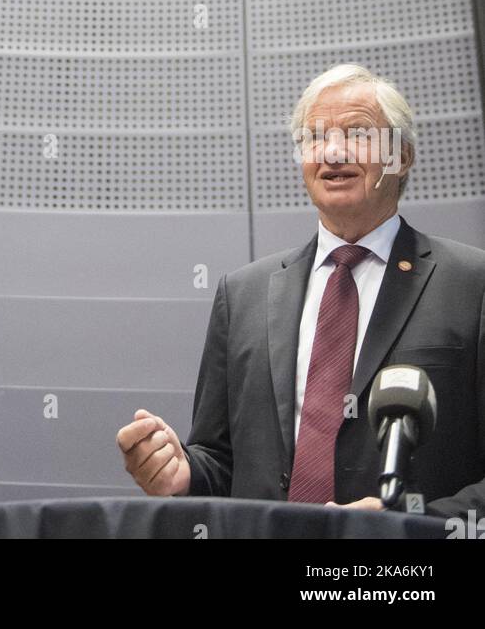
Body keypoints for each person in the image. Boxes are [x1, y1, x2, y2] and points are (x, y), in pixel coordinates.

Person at [117, 63, 485, 520]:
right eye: (314, 137)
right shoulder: (244, 294)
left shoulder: (473, 284)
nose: (331, 152)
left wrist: (413, 524)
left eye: (356, 133)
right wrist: (182, 474)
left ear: (402, 156)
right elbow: (220, 460)